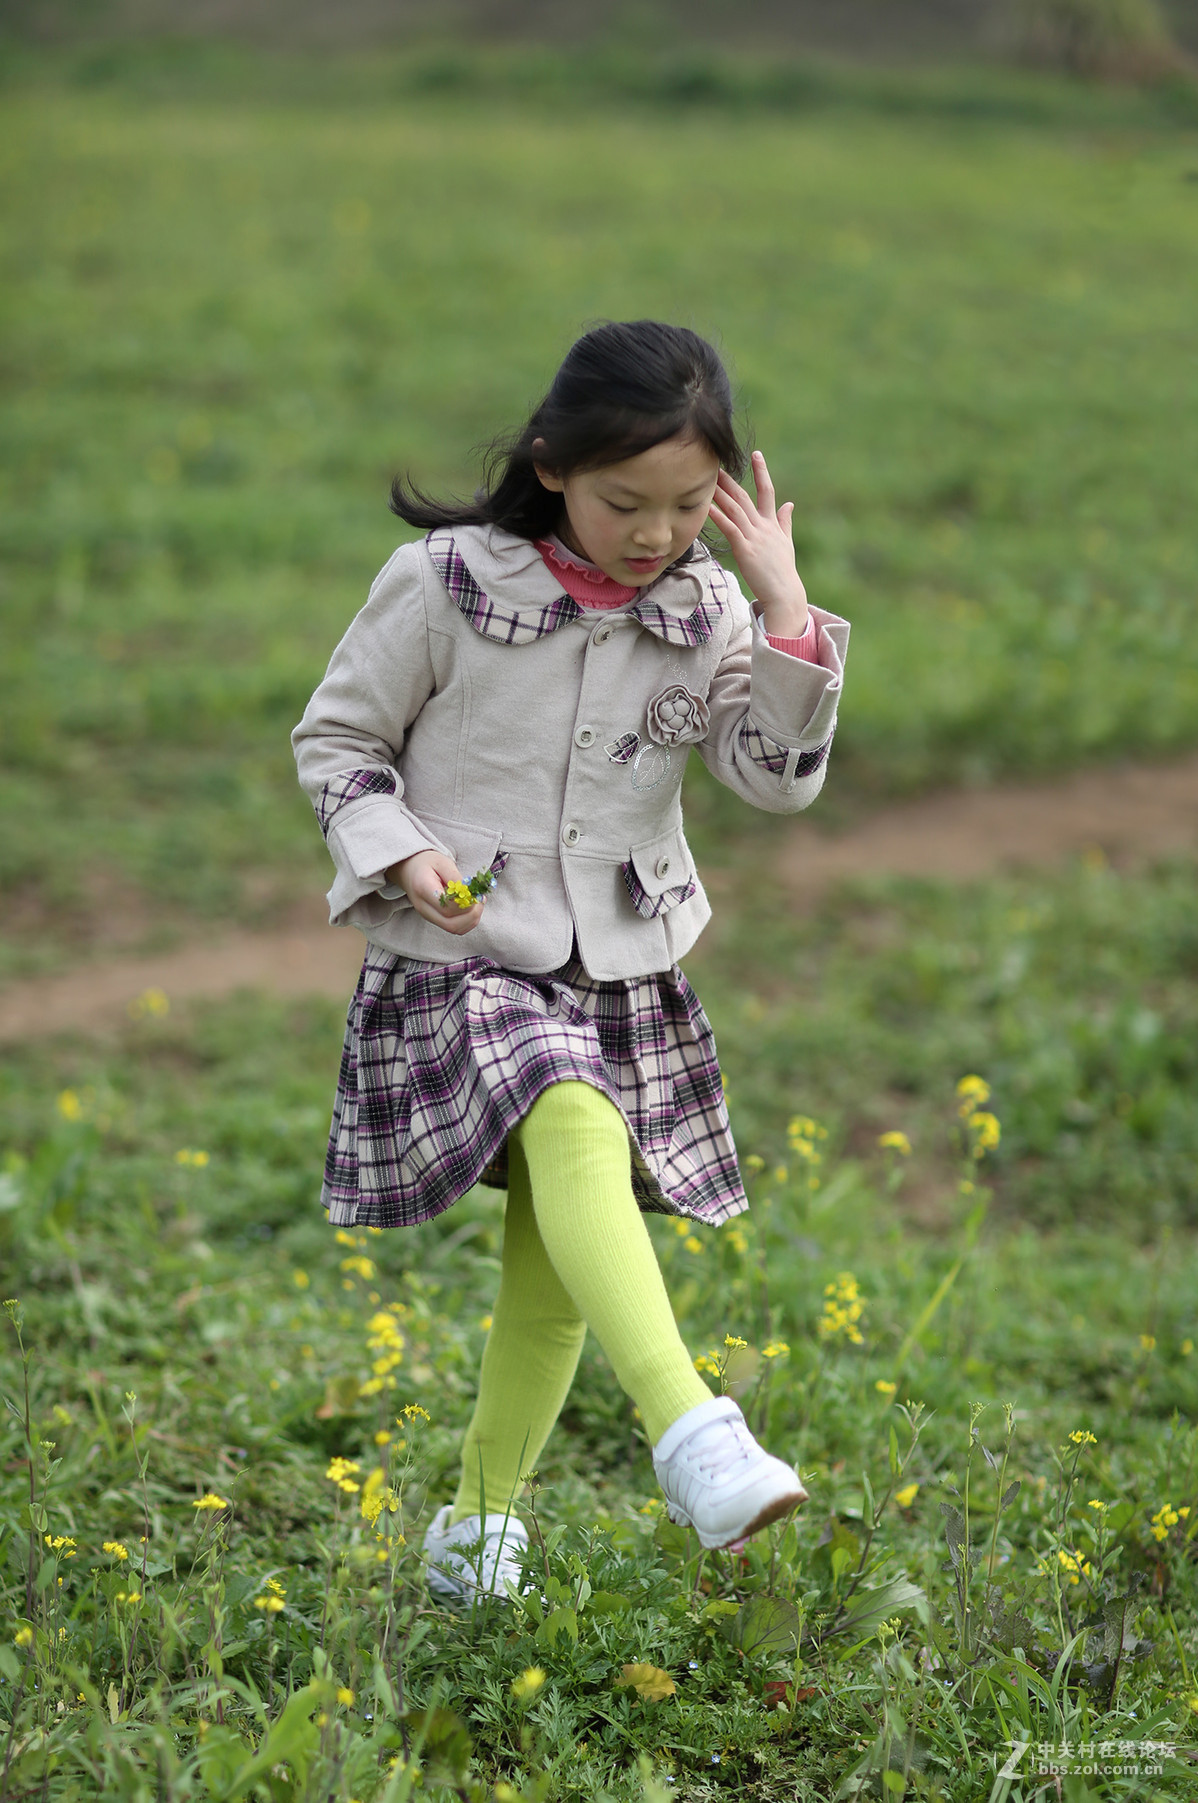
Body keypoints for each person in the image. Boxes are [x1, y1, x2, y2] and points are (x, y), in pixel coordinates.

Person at [292, 320, 849, 1604]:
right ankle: (691, 1428)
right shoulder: (443, 582)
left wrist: (780, 609)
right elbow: (339, 747)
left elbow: (772, 784)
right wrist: (401, 855)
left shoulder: (710, 607)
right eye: (622, 502)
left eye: (690, 505)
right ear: (550, 463)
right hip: (465, 949)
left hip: (620, 963)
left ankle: (476, 1533)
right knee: (565, 1097)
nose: (655, 534)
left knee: (549, 1279)